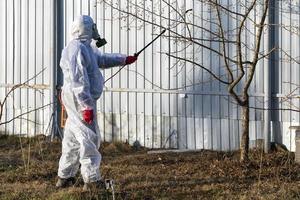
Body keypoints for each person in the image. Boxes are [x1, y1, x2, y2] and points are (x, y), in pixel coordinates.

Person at [56, 15, 137, 190]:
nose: (95, 30)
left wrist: (123, 59)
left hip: (77, 98)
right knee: (89, 136)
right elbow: (78, 80)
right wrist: (85, 106)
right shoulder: (76, 49)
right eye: (92, 27)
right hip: (79, 99)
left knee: (72, 138)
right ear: (86, 28)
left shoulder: (85, 48)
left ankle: (65, 176)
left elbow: (101, 60)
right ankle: (92, 180)